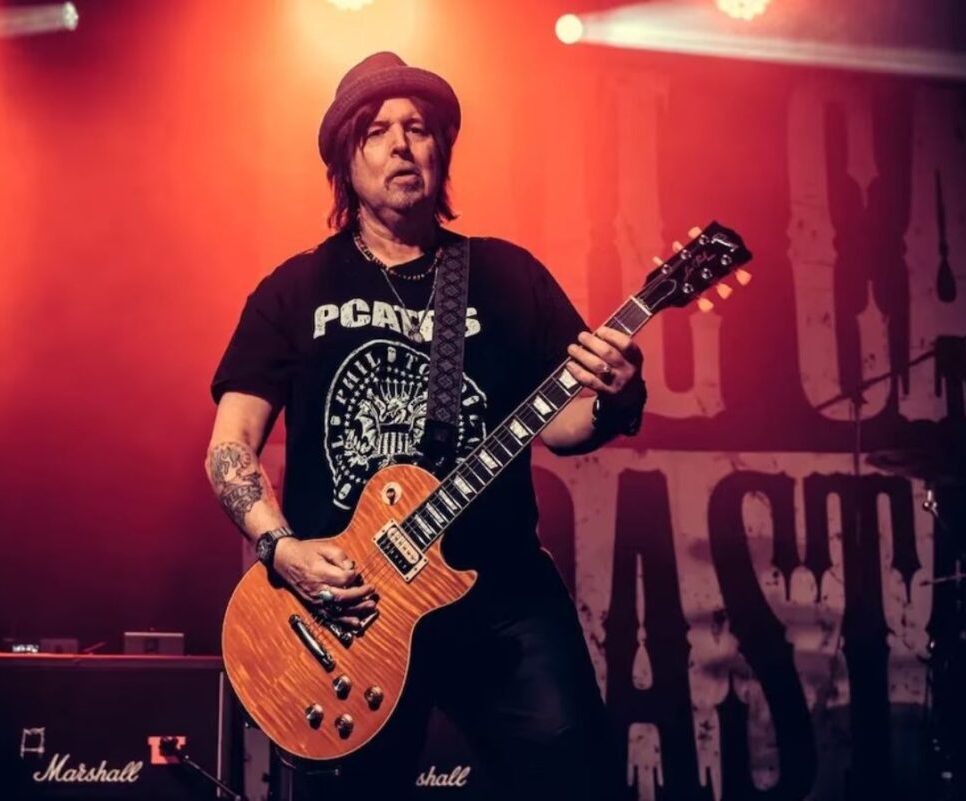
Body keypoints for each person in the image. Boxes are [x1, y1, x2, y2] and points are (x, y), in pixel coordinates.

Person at [206, 51, 647, 801]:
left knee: (579, 779)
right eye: (377, 131)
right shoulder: (296, 288)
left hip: (498, 594)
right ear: (345, 160)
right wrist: (281, 549)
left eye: (417, 128)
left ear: (442, 148)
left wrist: (616, 395)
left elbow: (565, 426)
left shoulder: (506, 275)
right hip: (348, 609)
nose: (401, 146)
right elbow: (230, 445)